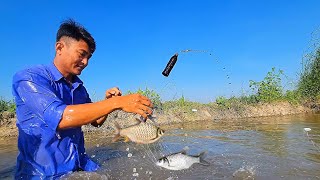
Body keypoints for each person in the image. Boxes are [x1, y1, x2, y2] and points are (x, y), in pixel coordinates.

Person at [12, 19, 153, 179]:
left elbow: (95, 122)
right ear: (59, 47)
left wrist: (107, 103)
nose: (85, 62)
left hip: (81, 165)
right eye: (81, 55)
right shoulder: (29, 78)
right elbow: (61, 118)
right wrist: (116, 102)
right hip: (43, 174)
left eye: (89, 57)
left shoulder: (79, 87)